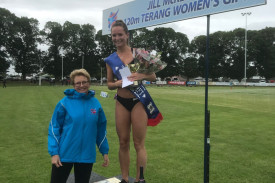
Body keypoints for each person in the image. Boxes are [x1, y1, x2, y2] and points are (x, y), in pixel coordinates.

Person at [105, 20, 163, 183]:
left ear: (127, 35)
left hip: (139, 101)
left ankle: (140, 179)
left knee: (139, 143)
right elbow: (109, 84)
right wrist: (118, 83)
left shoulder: (139, 54)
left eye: (120, 35)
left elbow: (153, 76)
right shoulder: (110, 59)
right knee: (123, 142)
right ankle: (124, 178)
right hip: (121, 102)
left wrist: (141, 76)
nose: (117, 38)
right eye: (114, 35)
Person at [48, 69, 109, 183]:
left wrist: (104, 151)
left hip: (87, 155)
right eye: (78, 83)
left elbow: (101, 129)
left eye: (84, 82)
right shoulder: (64, 103)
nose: (82, 85)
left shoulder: (95, 104)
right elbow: (54, 128)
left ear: (89, 83)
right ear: (73, 84)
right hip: (64, 154)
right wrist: (54, 153)